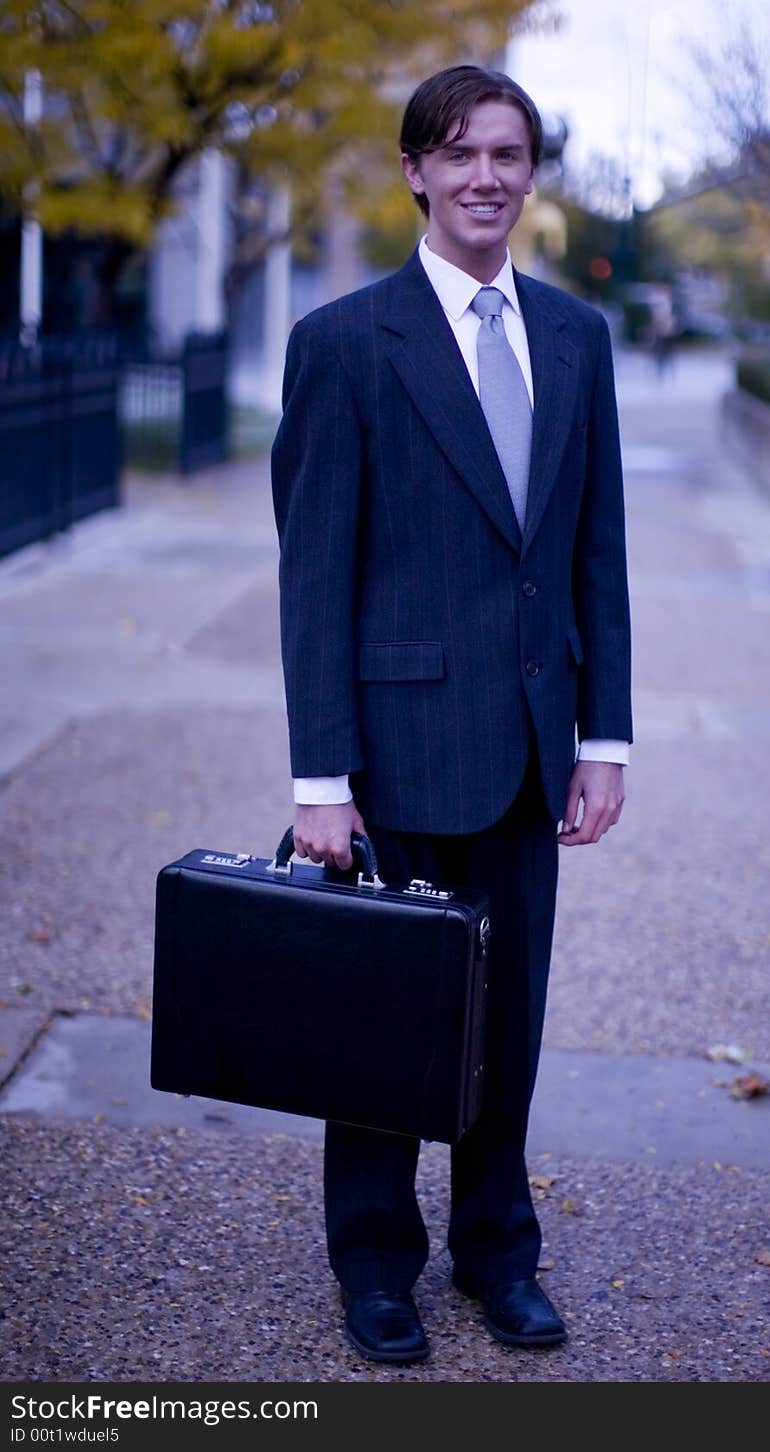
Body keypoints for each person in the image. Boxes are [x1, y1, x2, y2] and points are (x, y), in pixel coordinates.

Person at [270, 64, 632, 1365]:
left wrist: (607, 738)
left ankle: (498, 1255)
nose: (487, 174)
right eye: (460, 151)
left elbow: (599, 554)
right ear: (417, 171)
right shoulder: (343, 345)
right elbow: (315, 575)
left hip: (534, 754)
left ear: (530, 176)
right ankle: (375, 1265)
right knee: (379, 1026)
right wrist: (322, 779)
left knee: (508, 1027)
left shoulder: (578, 341)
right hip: (396, 751)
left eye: (509, 153)